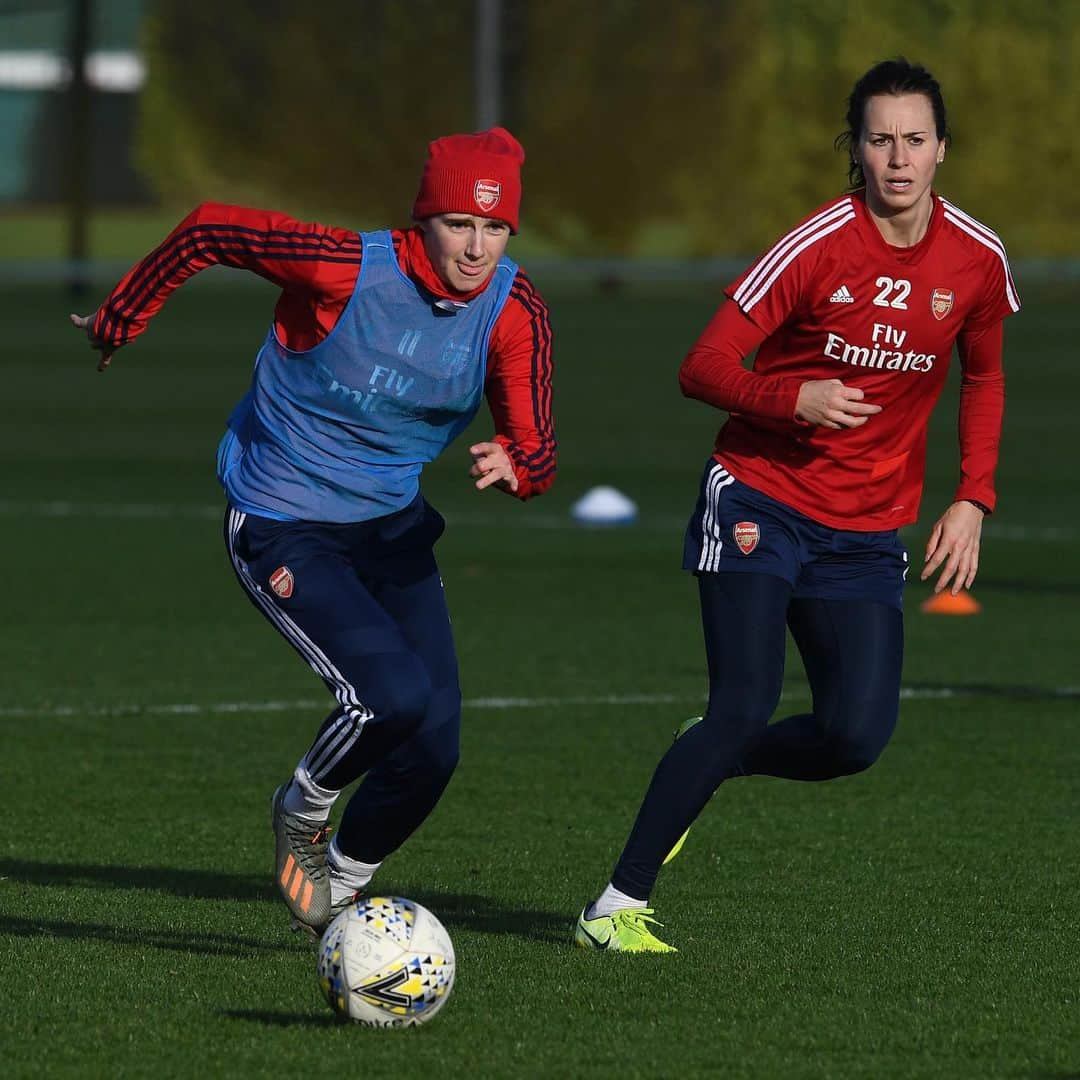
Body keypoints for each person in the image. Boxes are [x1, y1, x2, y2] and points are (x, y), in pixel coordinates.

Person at [575, 59, 1018, 952]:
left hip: (864, 530)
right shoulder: (816, 246)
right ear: (855, 150)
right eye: (880, 138)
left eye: (915, 139)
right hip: (760, 497)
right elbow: (701, 366)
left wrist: (972, 497)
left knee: (854, 737)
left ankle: (713, 762)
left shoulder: (977, 259)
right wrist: (794, 399)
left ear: (942, 151)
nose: (898, 158)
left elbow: (987, 378)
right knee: (743, 698)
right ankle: (614, 907)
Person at [71, 127, 555, 937]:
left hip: (389, 530)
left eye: (495, 228)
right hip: (283, 519)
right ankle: (302, 809)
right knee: (388, 697)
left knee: (433, 749)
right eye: (458, 224)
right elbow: (208, 229)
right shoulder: (344, 266)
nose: (476, 248)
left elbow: (538, 444)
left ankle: (342, 886)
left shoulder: (512, 309)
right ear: (423, 219)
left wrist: (519, 464)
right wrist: (123, 315)